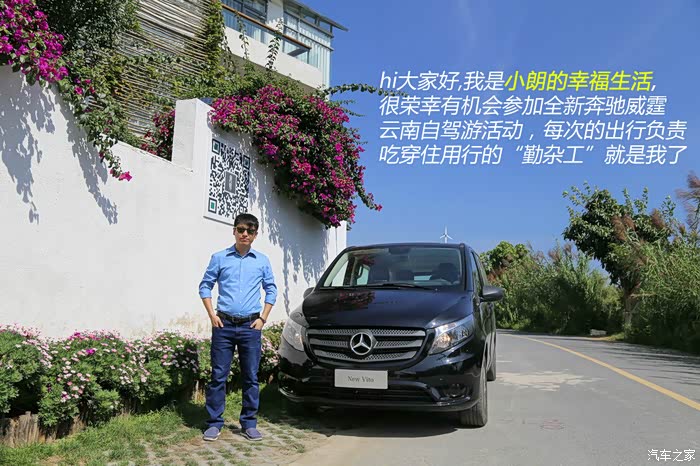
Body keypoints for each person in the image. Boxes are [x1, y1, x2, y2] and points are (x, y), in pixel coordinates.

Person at [198, 213, 277, 442]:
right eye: (241, 229)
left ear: (255, 235)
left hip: (250, 327)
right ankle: (214, 423)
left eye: (250, 231)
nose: (245, 234)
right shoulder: (219, 258)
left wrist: (263, 319)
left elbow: (271, 289)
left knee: (250, 376)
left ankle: (249, 423)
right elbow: (205, 286)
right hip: (223, 325)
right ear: (234, 231)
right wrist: (211, 315)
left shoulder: (262, 261)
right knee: (218, 376)